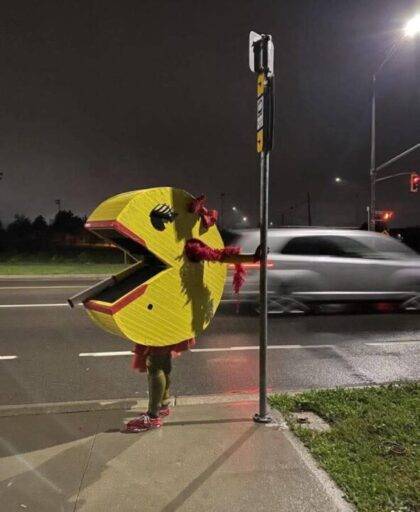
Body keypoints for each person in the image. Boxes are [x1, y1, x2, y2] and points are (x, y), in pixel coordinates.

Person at [122, 248, 261, 433]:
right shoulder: (181, 245)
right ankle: (162, 405)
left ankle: (153, 416)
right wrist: (253, 257)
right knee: (162, 359)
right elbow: (220, 256)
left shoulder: (189, 246)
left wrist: (252, 257)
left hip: (168, 311)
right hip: (171, 308)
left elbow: (220, 256)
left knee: (155, 363)